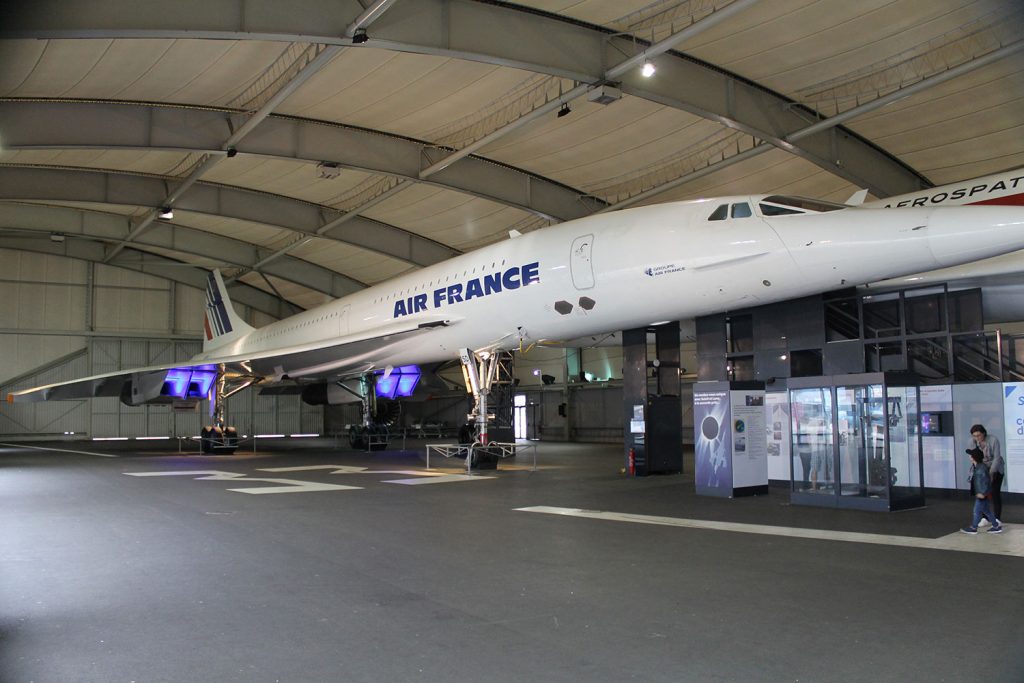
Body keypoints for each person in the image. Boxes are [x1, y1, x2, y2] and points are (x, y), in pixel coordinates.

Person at [960, 447, 1002, 534]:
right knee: (986, 511)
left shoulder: (980, 469)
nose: (969, 457)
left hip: (982, 494)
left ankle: (973, 528)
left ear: (974, 457)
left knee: (976, 511)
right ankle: (996, 526)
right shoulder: (979, 467)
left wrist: (981, 493)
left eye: (971, 455)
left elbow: (983, 482)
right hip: (984, 493)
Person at [969, 424, 1004, 525]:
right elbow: (974, 457)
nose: (977, 438)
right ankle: (985, 518)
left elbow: (997, 458)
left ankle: (997, 518)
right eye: (974, 436)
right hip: (982, 469)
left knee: (994, 493)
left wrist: (991, 473)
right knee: (983, 494)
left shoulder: (993, 440)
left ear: (983, 433)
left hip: (996, 468)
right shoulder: (973, 442)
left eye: (978, 435)